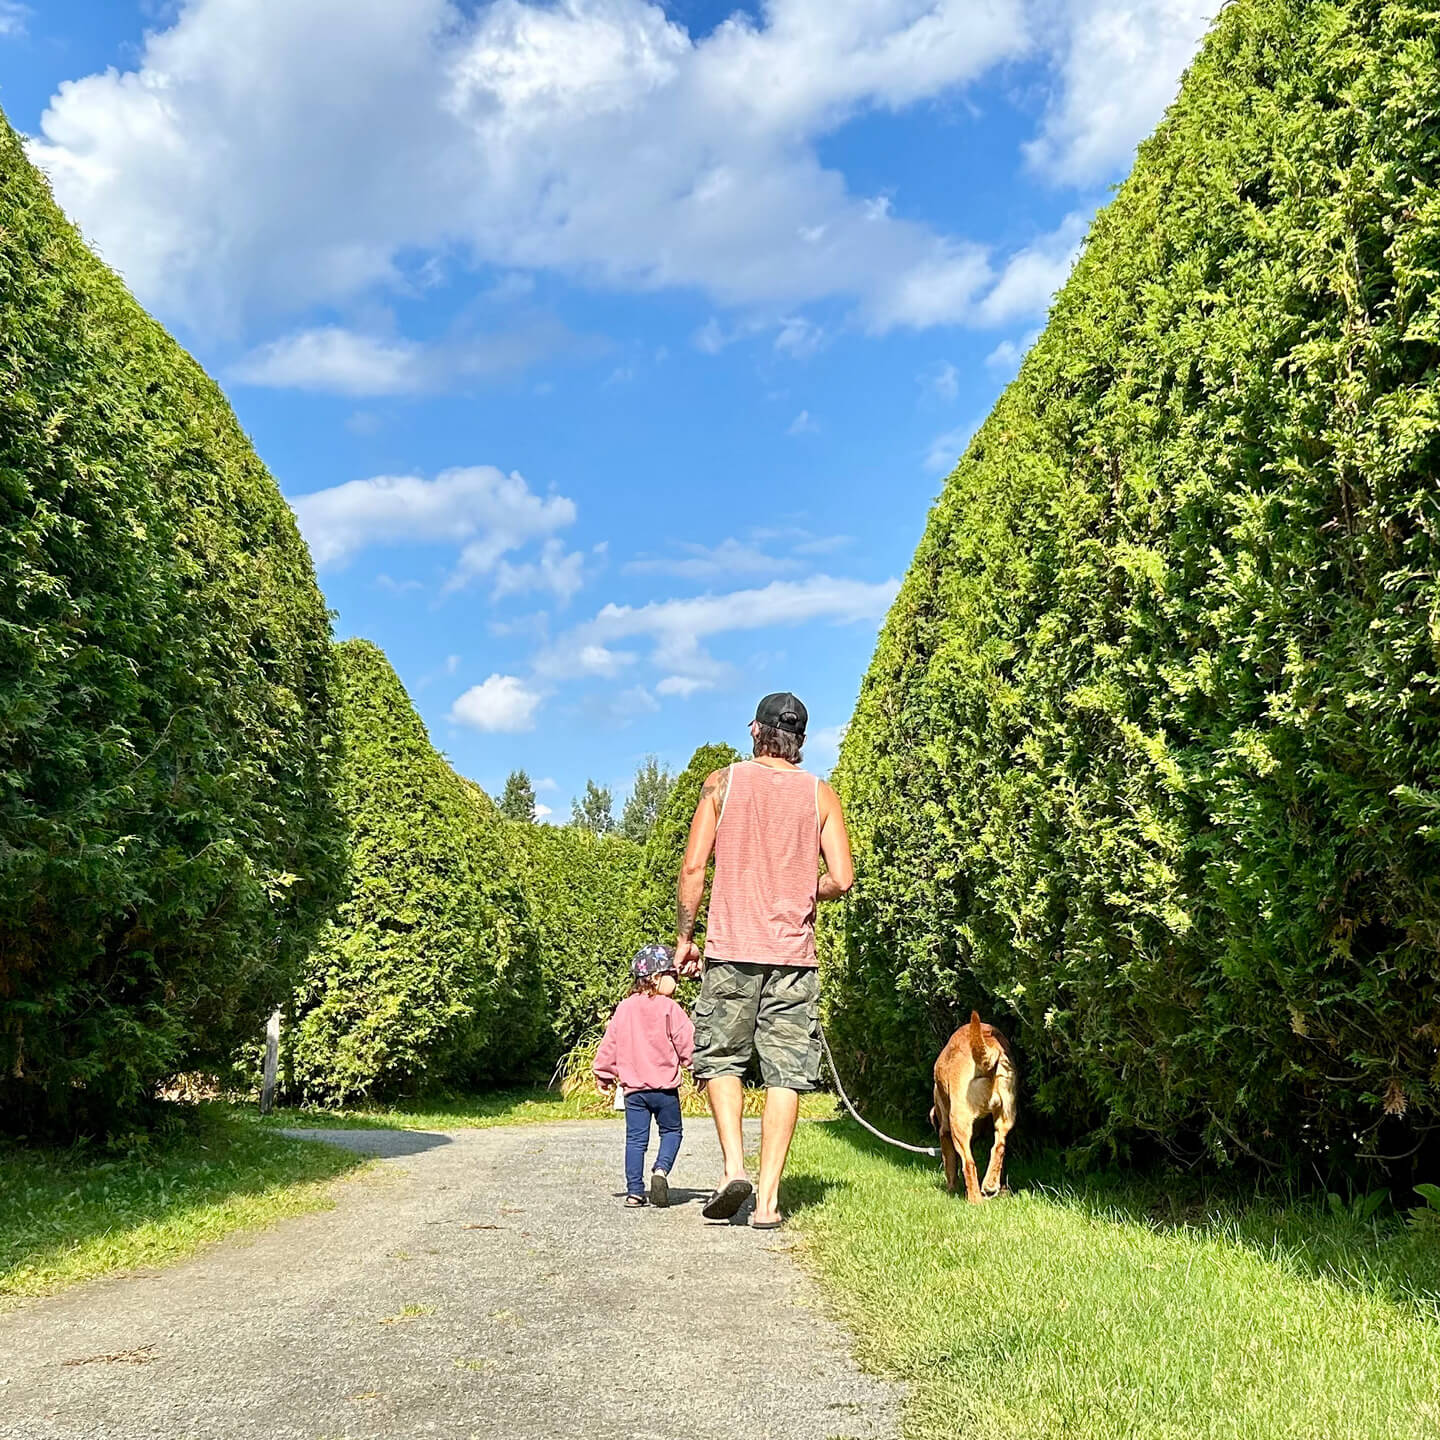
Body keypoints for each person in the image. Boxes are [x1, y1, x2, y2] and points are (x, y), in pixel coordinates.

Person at [676, 692, 854, 1228]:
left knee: (722, 1060)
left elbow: (692, 870)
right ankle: (769, 1202)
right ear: (799, 739)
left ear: (756, 731)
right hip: (794, 957)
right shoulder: (821, 794)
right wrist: (806, 890)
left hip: (730, 947)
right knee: (786, 1074)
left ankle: (734, 1167)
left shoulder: (720, 783)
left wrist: (685, 938)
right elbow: (841, 880)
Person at [593, 943, 695, 1208]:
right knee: (672, 1131)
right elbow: (687, 1042)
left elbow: (610, 1043)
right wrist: (698, 1068)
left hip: (634, 1092)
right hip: (664, 1091)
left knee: (635, 1140)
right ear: (655, 978)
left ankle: (634, 1192)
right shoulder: (670, 1008)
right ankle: (660, 1171)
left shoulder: (624, 1008)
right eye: (672, 975)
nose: (676, 981)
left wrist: (603, 1074)